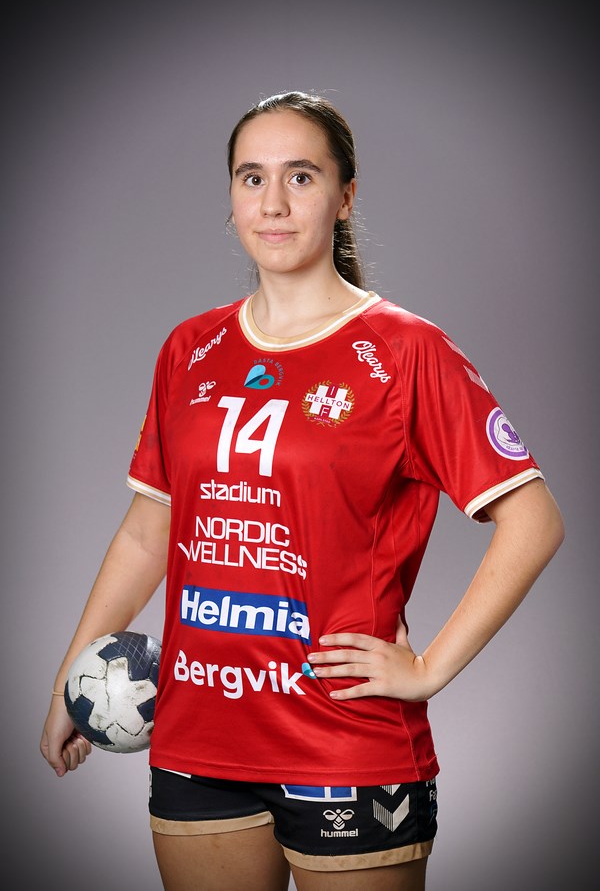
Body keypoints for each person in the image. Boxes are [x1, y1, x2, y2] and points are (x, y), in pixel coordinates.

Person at [40, 91, 564, 891]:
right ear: (231, 197)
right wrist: (69, 682)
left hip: (345, 743)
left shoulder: (406, 351)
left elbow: (534, 521)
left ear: (345, 196)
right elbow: (148, 533)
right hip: (197, 737)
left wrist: (427, 668)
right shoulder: (190, 348)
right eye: (252, 178)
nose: (274, 203)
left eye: (302, 176)